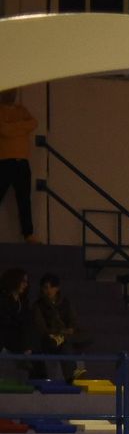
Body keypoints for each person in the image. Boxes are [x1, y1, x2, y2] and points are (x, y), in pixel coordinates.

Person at [0, 90, 39, 243]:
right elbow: (3, 130)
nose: (11, 95)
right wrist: (21, 127)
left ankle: (28, 234)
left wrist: (13, 127)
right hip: (4, 161)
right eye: (8, 93)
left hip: (22, 161)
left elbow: (34, 123)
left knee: (24, 200)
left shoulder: (21, 110)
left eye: (13, 93)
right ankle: (28, 233)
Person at [0, 268, 31, 358]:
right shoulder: (3, 299)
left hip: (18, 338)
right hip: (5, 338)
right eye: (23, 281)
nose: (25, 284)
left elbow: (27, 321)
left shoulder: (23, 301)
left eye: (26, 282)